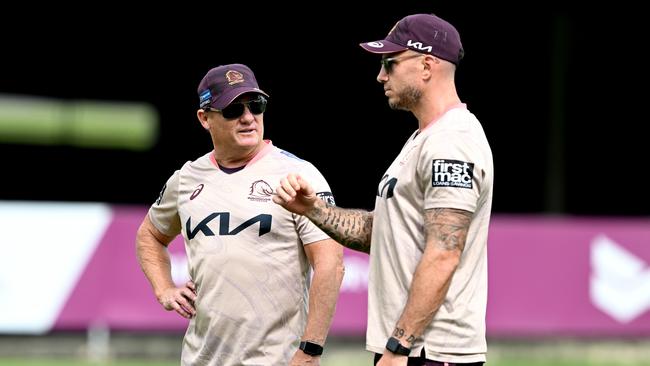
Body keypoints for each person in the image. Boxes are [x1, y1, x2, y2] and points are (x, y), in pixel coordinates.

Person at [274, 13, 493, 366]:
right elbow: (382, 232)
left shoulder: (452, 141)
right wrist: (313, 209)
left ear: (426, 65)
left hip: (431, 352)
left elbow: (444, 252)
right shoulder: (425, 138)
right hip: (413, 349)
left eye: (390, 63)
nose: (380, 75)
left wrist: (399, 346)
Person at [135, 63, 345, 366]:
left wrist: (311, 350)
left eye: (256, 105)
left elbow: (330, 265)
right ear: (205, 118)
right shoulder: (186, 179)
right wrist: (164, 288)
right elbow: (150, 235)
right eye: (233, 110)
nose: (248, 117)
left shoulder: (299, 174)